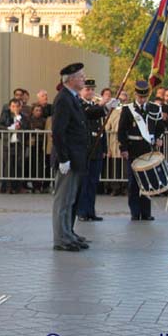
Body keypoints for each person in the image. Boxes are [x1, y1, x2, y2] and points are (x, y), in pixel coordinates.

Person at [51, 62, 89, 252]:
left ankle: (67, 234)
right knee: (62, 201)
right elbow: (58, 132)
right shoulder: (63, 99)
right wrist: (63, 158)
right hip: (68, 158)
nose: (83, 79)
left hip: (75, 157)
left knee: (69, 200)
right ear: (71, 80)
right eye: (81, 77)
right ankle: (61, 238)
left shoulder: (72, 97)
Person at [118, 80, 165, 221]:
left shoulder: (154, 109)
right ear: (136, 95)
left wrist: (159, 138)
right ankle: (134, 212)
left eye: (144, 97)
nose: (142, 99)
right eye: (140, 97)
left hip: (147, 149)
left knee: (147, 181)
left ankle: (146, 212)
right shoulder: (128, 109)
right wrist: (124, 148)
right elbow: (121, 131)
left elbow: (160, 128)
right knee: (133, 182)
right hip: (133, 148)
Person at [77, 79, 115, 221]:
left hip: (97, 148)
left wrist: (104, 148)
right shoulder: (80, 104)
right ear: (81, 91)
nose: (90, 92)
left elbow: (101, 129)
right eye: (87, 89)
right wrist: (104, 106)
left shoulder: (94, 106)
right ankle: (81, 211)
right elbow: (89, 113)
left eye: (92, 89)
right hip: (86, 148)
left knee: (93, 182)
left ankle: (90, 211)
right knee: (84, 182)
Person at [0, 98, 29, 194]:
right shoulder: (5, 115)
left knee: (19, 165)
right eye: (13, 106)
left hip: (19, 143)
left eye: (17, 106)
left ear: (20, 107)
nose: (15, 108)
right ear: (9, 107)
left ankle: (18, 187)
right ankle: (8, 187)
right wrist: (9, 128)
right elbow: (0, 125)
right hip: (8, 143)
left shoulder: (23, 116)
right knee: (8, 165)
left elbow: (27, 127)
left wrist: (18, 117)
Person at [28, 103, 47, 192]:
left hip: (41, 144)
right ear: (32, 111)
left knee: (40, 165)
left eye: (40, 110)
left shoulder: (44, 121)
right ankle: (31, 183)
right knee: (31, 164)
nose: (38, 112)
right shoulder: (29, 120)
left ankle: (39, 185)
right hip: (31, 144)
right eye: (36, 110)